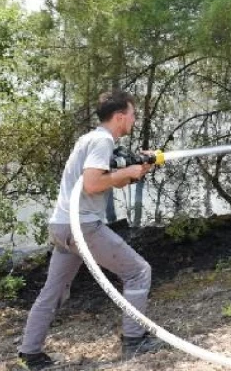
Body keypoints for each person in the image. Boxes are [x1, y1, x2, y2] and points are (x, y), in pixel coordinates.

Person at [18, 90, 165, 369]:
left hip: (62, 225)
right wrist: (126, 173)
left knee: (54, 290)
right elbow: (93, 184)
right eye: (132, 115)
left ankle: (30, 353)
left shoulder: (90, 138)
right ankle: (135, 340)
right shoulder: (101, 140)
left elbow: (111, 180)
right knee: (138, 271)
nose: (134, 120)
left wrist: (135, 170)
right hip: (82, 226)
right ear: (120, 116)